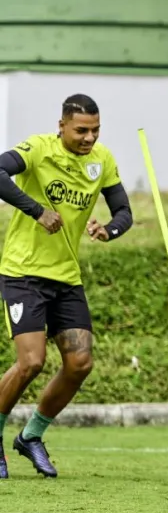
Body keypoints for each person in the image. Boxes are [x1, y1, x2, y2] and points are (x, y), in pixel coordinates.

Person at [0, 94, 133, 480]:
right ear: (62, 126)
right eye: (81, 130)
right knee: (31, 362)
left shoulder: (102, 160)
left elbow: (124, 211)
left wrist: (108, 230)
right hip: (23, 273)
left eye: (95, 130)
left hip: (66, 277)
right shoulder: (38, 149)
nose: (89, 137)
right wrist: (37, 210)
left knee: (80, 364)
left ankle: (31, 437)